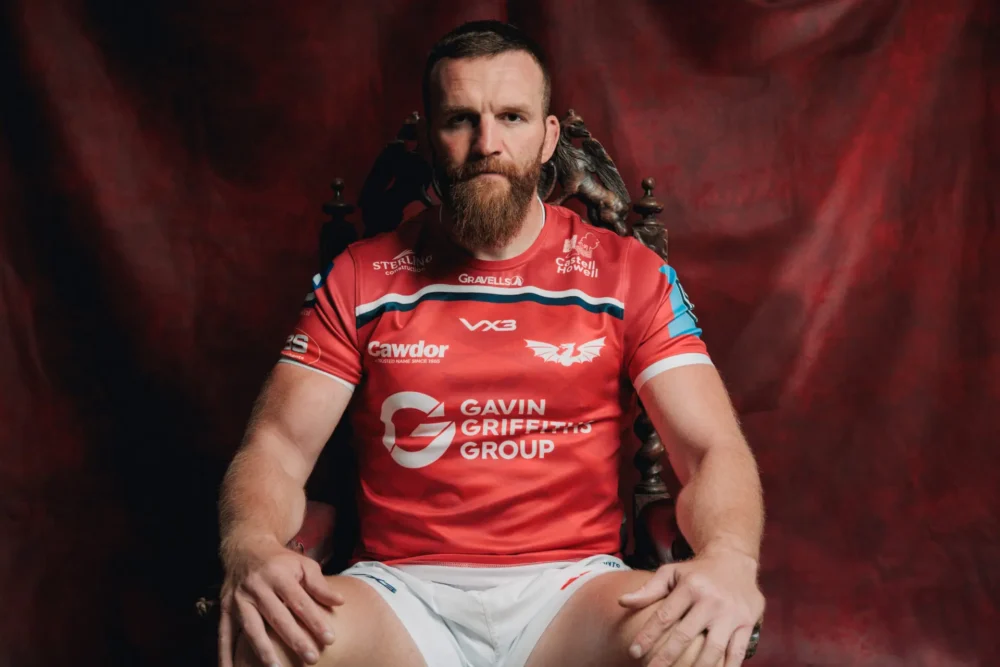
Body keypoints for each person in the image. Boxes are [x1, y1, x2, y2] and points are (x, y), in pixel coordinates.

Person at [217, 19, 765, 667]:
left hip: (573, 590)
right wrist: (251, 545)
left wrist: (731, 557)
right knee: (264, 640)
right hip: (400, 592)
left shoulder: (627, 273)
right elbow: (277, 448)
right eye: (460, 120)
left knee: (697, 642)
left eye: (511, 117)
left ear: (548, 137)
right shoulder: (362, 275)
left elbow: (710, 448)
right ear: (430, 136)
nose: (487, 144)